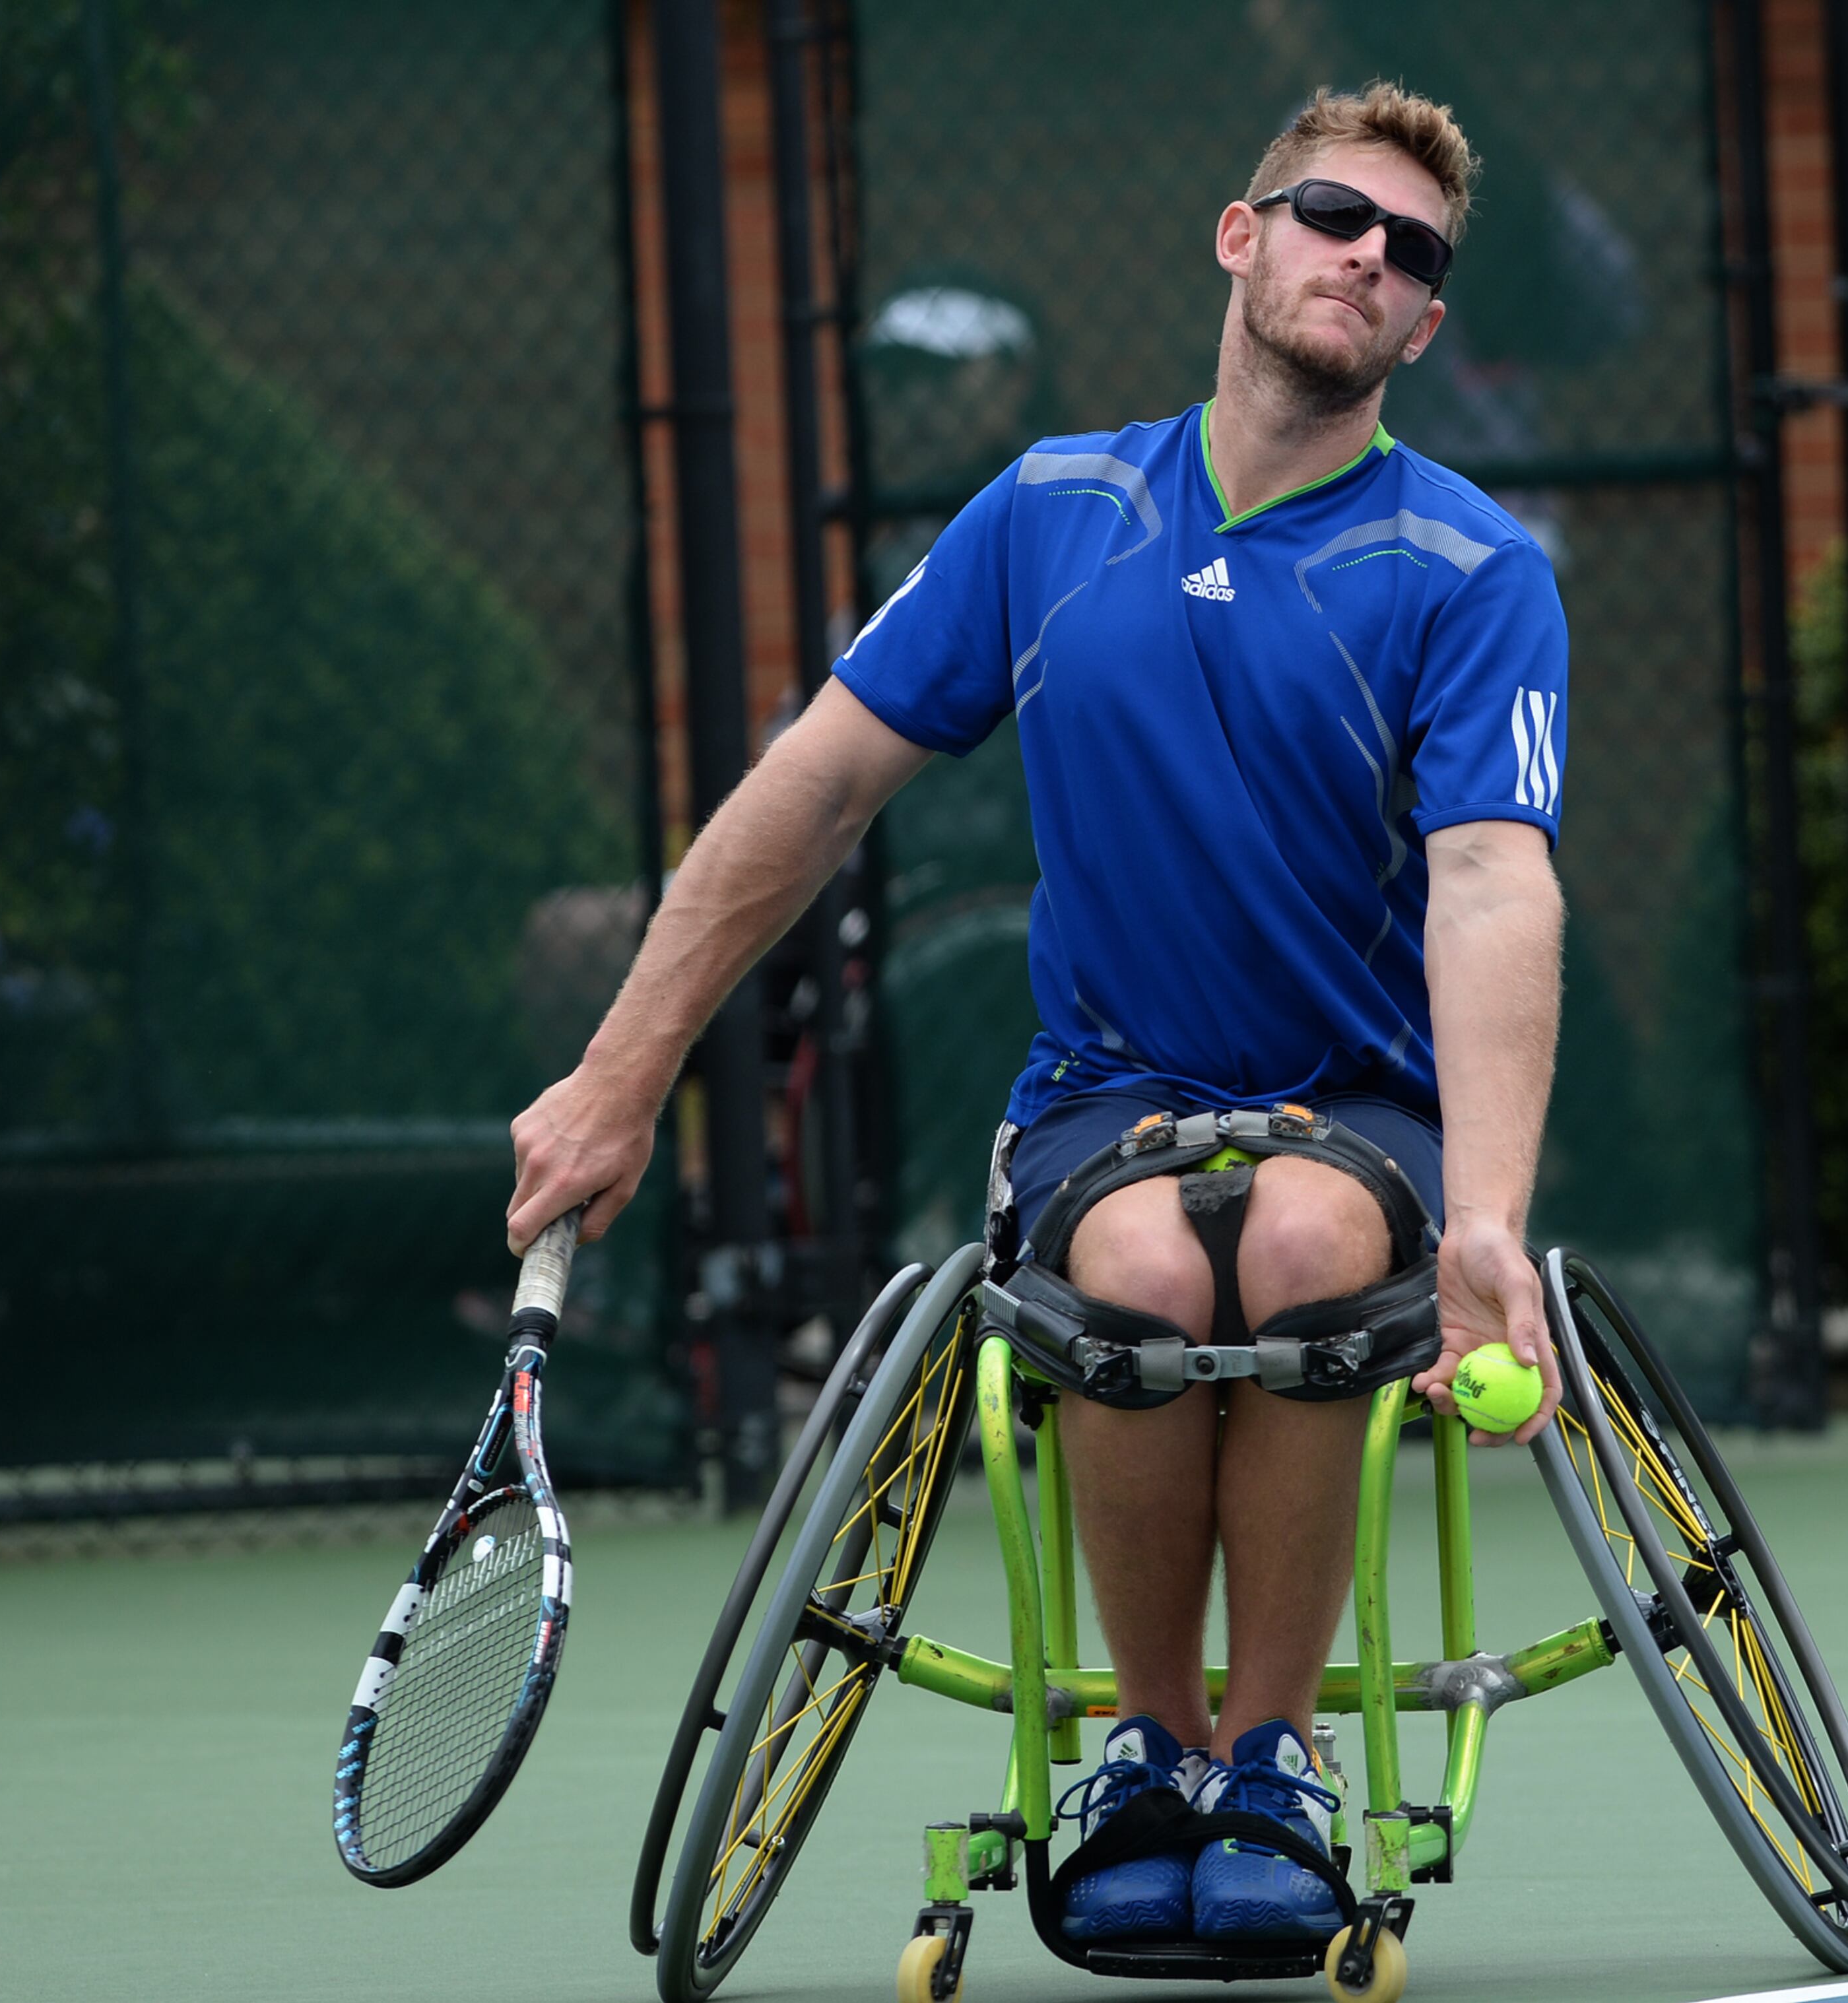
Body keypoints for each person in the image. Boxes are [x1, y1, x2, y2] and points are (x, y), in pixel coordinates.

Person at [506, 79, 1568, 1946]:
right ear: (1243, 239)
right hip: (1107, 1098)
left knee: (1309, 1234)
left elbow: (1492, 882)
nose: (1368, 258)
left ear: (1425, 324)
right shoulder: (1047, 514)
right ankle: (1146, 1747)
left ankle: (1273, 1755)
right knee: (1150, 1280)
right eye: (1334, 215)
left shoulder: (1476, 569)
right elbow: (812, 790)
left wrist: (1484, 1212)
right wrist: (622, 1069)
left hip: (1359, 1103)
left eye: (1413, 252)